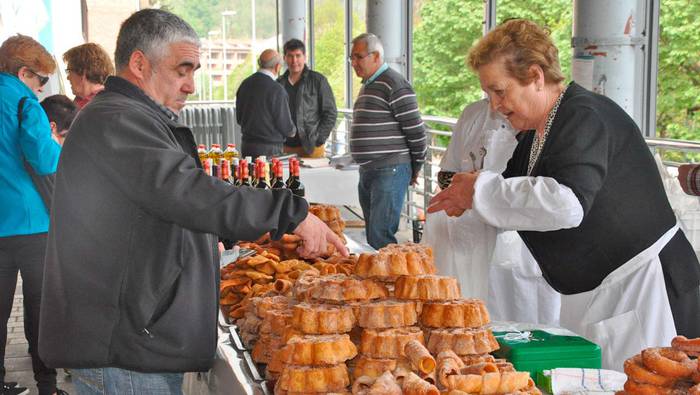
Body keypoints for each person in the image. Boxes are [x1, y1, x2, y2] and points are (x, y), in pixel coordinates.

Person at [38, 9, 345, 394]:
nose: (190, 86)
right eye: (182, 70)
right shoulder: (116, 120)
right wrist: (289, 213)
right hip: (122, 353)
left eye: (194, 72)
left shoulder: (132, 117)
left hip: (133, 342)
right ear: (139, 63)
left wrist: (225, 240)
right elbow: (186, 191)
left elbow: (156, 208)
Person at [428, 19, 700, 371]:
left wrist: (478, 190)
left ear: (536, 76)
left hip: (644, 288)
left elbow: (565, 203)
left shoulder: (584, 115)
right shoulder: (533, 135)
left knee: (651, 382)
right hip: (596, 292)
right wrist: (465, 200)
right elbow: (509, 198)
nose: (494, 105)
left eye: (500, 91)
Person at [421, 99, 560, 325]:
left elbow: (549, 197)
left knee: (523, 320)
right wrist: (464, 187)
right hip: (471, 239)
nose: (495, 103)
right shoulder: (473, 114)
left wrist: (485, 188)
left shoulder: (544, 120)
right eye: (488, 90)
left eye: (499, 89)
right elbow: (446, 173)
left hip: (522, 249)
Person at [0, 34, 64, 395]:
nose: (41, 90)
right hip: (30, 222)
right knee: (40, 308)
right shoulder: (25, 103)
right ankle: (47, 385)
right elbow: (43, 159)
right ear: (25, 73)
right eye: (41, 80)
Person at [349, 33, 427, 249]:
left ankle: (388, 282)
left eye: (358, 57)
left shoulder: (394, 83)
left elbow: (417, 132)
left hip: (389, 168)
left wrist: (416, 167)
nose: (353, 63)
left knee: (380, 235)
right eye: (351, 58)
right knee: (374, 234)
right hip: (370, 170)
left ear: (375, 56)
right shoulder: (369, 84)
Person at [277, 39, 337, 158]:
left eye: (298, 56)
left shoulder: (318, 80)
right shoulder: (278, 84)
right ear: (285, 58)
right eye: (290, 56)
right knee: (287, 177)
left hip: (312, 147)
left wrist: (319, 139)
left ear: (305, 57)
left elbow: (330, 112)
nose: (294, 61)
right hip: (285, 147)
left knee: (313, 177)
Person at [236, 49, 296, 158]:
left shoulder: (245, 84)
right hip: (270, 149)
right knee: (269, 175)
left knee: (249, 175)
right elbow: (285, 126)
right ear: (278, 67)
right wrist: (293, 131)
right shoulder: (276, 90)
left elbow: (239, 119)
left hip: (247, 146)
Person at [62, 43, 114, 109]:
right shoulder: (109, 98)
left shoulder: (95, 106)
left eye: (69, 71)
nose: (68, 78)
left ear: (82, 72)